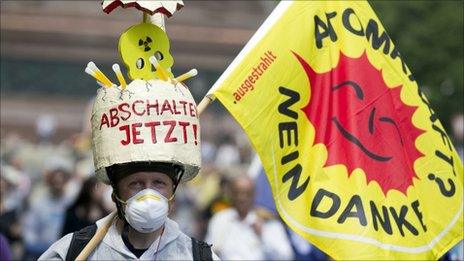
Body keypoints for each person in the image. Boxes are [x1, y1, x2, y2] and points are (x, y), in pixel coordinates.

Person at [39, 58, 217, 259]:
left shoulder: (198, 256)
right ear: (115, 194)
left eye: (158, 183)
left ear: (173, 195)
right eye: (136, 183)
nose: (148, 194)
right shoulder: (71, 252)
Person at [205, 174, 294, 260]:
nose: (242, 198)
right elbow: (207, 252)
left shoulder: (269, 224)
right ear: (231, 194)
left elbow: (286, 257)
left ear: (254, 194)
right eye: (237, 193)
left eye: (246, 193)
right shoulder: (220, 219)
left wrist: (263, 236)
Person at [22, 163, 72, 260]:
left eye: (61, 182)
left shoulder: (71, 204)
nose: (58, 185)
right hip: (41, 253)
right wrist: (39, 248)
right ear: (50, 182)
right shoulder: (39, 205)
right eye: (55, 182)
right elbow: (29, 231)